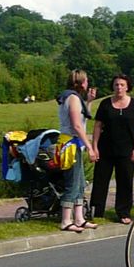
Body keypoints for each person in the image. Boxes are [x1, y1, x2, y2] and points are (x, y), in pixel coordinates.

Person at [90, 74, 134, 225]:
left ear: (127, 87)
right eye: (116, 85)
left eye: (122, 85)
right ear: (112, 87)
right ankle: (97, 211)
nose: (119, 87)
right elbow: (97, 126)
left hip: (127, 151)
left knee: (125, 182)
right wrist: (94, 147)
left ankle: (123, 212)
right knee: (100, 181)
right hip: (106, 149)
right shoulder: (105, 104)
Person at [57, 69, 99, 233]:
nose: (87, 83)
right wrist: (90, 147)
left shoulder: (73, 98)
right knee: (73, 182)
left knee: (80, 182)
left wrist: (89, 102)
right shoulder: (73, 99)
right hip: (70, 144)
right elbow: (77, 125)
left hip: (73, 143)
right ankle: (66, 220)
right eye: (86, 80)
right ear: (81, 83)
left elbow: (83, 118)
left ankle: (79, 218)